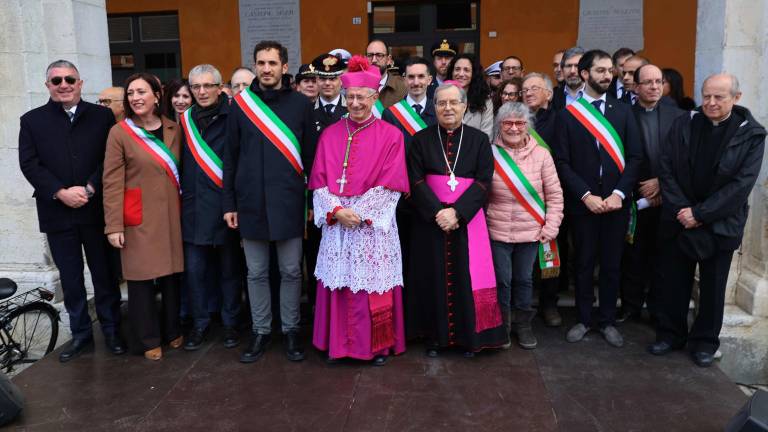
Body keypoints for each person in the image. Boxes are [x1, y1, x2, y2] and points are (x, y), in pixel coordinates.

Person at [650, 74, 765, 367]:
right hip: (680, 219)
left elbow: (741, 185)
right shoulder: (684, 123)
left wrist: (700, 214)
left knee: (713, 288)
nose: (711, 103)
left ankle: (704, 342)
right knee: (674, 282)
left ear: (736, 98)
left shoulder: (751, 133)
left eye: (719, 97)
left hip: (720, 224)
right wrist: (683, 210)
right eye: (706, 96)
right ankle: (670, 334)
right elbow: (667, 168)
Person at [19, 59, 124, 363]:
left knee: (104, 275)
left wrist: (91, 187)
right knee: (71, 278)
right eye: (56, 80)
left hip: (95, 211)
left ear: (80, 83)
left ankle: (113, 331)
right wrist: (61, 192)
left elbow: (111, 157)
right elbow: (29, 164)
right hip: (57, 213)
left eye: (69, 79)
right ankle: (80, 336)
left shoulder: (102, 116)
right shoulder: (32, 120)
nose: (63, 84)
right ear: (47, 86)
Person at [309, 55, 409, 365]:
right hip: (338, 223)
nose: (354, 103)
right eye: (349, 97)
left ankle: (375, 346)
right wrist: (337, 211)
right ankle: (337, 344)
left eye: (361, 97)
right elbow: (319, 181)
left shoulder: (391, 136)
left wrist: (360, 213)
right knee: (338, 284)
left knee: (371, 285)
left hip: (371, 226)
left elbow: (391, 184)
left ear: (374, 97)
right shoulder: (330, 134)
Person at [223, 40, 317, 364]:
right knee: (256, 272)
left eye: (272, 63)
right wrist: (229, 204)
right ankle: (261, 331)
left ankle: (291, 330)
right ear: (255, 66)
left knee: (292, 271)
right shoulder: (240, 105)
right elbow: (230, 159)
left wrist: (311, 202)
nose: (266, 69)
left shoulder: (301, 105)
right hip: (249, 204)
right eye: (261, 63)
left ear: (285, 67)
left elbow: (311, 159)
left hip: (289, 202)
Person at [407, 83, 507, 356]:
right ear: (434, 107)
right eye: (441, 103)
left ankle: (468, 339)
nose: (448, 108)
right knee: (433, 278)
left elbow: (484, 181)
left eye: (454, 103)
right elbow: (414, 180)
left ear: (464, 106)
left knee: (466, 277)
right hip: (431, 222)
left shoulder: (478, 140)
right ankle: (434, 338)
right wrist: (438, 212)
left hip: (467, 221)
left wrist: (458, 212)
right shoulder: (420, 139)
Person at [553, 50, 642, 347]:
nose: (608, 75)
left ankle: (606, 320)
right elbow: (562, 162)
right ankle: (583, 319)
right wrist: (585, 195)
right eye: (601, 70)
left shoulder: (623, 111)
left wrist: (619, 194)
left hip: (617, 204)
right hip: (584, 204)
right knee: (583, 262)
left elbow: (635, 157)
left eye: (609, 71)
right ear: (585, 73)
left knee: (612, 264)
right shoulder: (567, 115)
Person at [103, 72, 184, 360]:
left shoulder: (174, 128)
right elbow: (111, 181)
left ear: (156, 96)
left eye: (141, 92)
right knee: (140, 280)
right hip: (137, 216)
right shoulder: (120, 133)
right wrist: (113, 225)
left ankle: (173, 330)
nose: (135, 98)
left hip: (172, 215)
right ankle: (148, 338)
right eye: (131, 93)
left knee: (172, 276)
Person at [178, 64, 244, 351]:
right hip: (193, 209)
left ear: (220, 87)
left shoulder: (236, 117)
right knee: (195, 272)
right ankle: (200, 323)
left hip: (226, 207)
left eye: (208, 86)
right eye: (196, 87)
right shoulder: (183, 121)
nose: (202, 92)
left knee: (230, 271)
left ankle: (230, 323)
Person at [488, 102, 563, 349]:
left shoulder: (542, 154)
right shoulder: (489, 153)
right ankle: (503, 326)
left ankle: (524, 325)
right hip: (497, 231)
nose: (513, 128)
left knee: (524, 280)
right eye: (508, 123)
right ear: (500, 125)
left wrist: (551, 227)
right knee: (503, 280)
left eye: (519, 123)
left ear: (527, 126)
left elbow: (554, 195)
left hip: (531, 233)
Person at [619, 64, 685, 324]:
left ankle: (658, 310)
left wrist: (661, 184)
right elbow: (619, 157)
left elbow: (684, 158)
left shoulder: (679, 116)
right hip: (635, 197)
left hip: (668, 199)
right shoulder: (624, 114)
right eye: (648, 82)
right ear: (636, 87)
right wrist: (639, 186)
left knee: (663, 258)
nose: (654, 86)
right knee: (633, 256)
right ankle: (630, 307)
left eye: (658, 81)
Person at [521, 72, 567, 327]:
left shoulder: (560, 120)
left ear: (549, 94)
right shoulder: (516, 118)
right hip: (519, 198)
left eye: (534, 88)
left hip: (548, 195)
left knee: (551, 254)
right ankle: (524, 306)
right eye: (525, 89)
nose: (528, 93)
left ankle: (549, 304)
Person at [447, 53, 493, 139]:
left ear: (474, 73)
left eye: (466, 70)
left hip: (476, 151)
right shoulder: (442, 97)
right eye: (457, 69)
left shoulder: (485, 101)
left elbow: (487, 136)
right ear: (452, 72)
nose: (461, 74)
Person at [311, 53, 347, 132]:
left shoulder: (352, 109)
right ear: (316, 81)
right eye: (322, 79)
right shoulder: (308, 111)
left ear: (341, 81)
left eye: (332, 79)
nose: (327, 83)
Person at [366, 39, 407, 108]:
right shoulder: (357, 87)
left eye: (379, 55)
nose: (374, 60)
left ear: (388, 60)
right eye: (370, 55)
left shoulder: (403, 87)